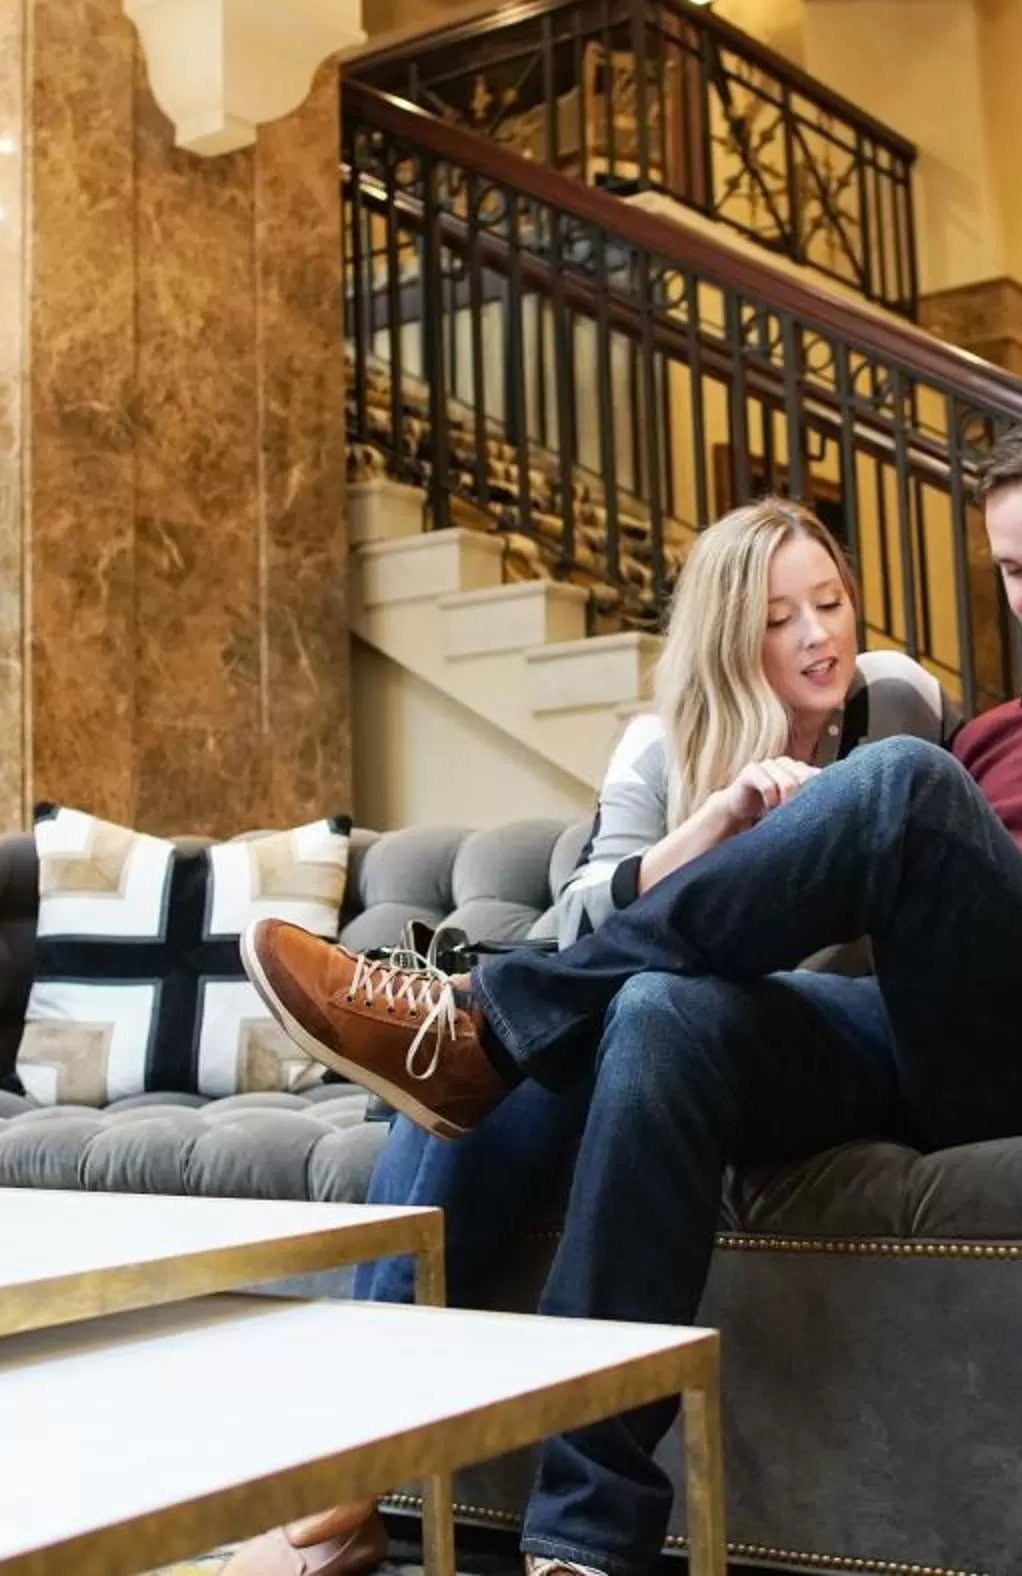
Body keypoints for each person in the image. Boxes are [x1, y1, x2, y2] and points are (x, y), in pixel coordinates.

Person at [240, 404, 1022, 1576]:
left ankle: (490, 1022)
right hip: (934, 1041)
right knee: (657, 1016)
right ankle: (584, 1538)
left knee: (897, 782)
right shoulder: (996, 733)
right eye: (1010, 570)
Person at [222, 499, 946, 1576]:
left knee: (531, 1031)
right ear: (724, 637)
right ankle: (352, 1476)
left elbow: (855, 928)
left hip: (801, 1039)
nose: (817, 635)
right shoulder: (661, 747)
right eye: (779, 616)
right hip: (643, 1043)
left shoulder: (894, 706)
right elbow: (576, 921)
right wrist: (714, 823)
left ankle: (467, 1023)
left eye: (830, 602)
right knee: (514, 1069)